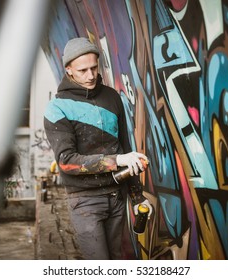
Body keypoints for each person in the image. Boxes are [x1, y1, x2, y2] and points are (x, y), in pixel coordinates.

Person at [44, 37, 152, 259]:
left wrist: (137, 197)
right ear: (69, 70)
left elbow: (125, 148)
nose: (91, 75)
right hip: (84, 201)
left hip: (117, 196)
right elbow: (67, 162)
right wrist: (116, 161)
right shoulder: (56, 108)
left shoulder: (112, 97)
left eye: (94, 67)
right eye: (83, 70)